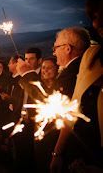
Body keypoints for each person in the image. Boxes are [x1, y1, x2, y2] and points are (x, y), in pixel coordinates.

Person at [17, 27, 91, 172]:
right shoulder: (76, 69)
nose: (53, 52)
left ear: (68, 48)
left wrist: (28, 75)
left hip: (63, 150)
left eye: (56, 47)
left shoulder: (73, 73)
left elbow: (51, 106)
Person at [50, 0, 103, 173]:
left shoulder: (78, 70)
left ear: (68, 48)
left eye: (56, 48)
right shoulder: (90, 61)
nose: (98, 24)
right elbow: (75, 108)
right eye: (94, 18)